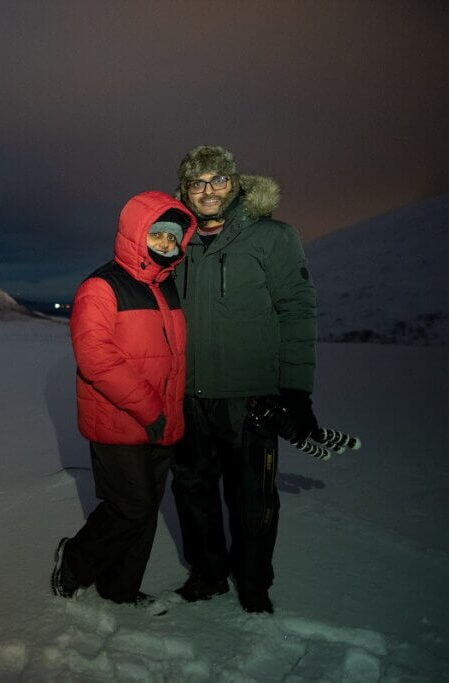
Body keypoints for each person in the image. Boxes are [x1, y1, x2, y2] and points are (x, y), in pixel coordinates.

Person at [169, 145, 318, 614]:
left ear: (234, 184)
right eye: (197, 182)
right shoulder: (176, 243)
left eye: (217, 180)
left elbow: (297, 309)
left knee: (252, 496)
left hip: (249, 396)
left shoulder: (272, 237)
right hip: (188, 397)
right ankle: (208, 573)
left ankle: (253, 582)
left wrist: (296, 390)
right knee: (192, 489)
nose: (208, 190)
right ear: (185, 191)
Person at [51, 190, 196, 612]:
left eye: (173, 238)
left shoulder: (166, 289)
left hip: (162, 423)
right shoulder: (101, 287)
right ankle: (74, 561)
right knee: (130, 507)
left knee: (147, 510)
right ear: (137, 233)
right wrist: (151, 410)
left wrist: (170, 415)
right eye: (158, 234)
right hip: (118, 420)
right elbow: (96, 358)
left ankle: (121, 587)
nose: (167, 245)